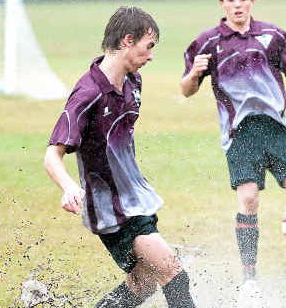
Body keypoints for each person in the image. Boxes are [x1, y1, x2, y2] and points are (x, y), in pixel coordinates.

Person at [44, 7, 195, 308]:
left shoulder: (133, 82)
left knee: (143, 282)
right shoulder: (87, 94)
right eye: (148, 46)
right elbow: (52, 155)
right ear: (128, 40)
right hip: (111, 211)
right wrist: (69, 187)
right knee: (175, 275)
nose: (151, 55)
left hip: (136, 201)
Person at [180, 0, 286, 293]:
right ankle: (249, 280)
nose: (237, 5)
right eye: (230, 0)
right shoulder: (208, 41)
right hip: (239, 132)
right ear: (223, 3)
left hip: (275, 128)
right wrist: (194, 73)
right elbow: (186, 89)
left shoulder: (272, 35)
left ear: (250, 2)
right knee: (248, 200)